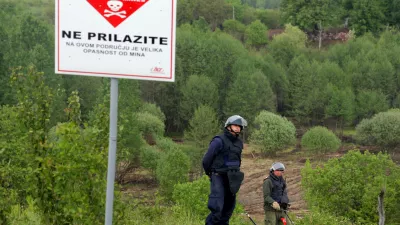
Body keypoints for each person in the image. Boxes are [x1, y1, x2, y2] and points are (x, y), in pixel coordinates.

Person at [202, 115, 247, 225]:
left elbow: (237, 160)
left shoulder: (239, 143)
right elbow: (206, 160)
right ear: (228, 126)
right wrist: (211, 174)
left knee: (228, 210)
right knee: (217, 208)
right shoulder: (218, 141)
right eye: (235, 125)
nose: (237, 128)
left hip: (232, 178)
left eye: (239, 126)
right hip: (218, 176)